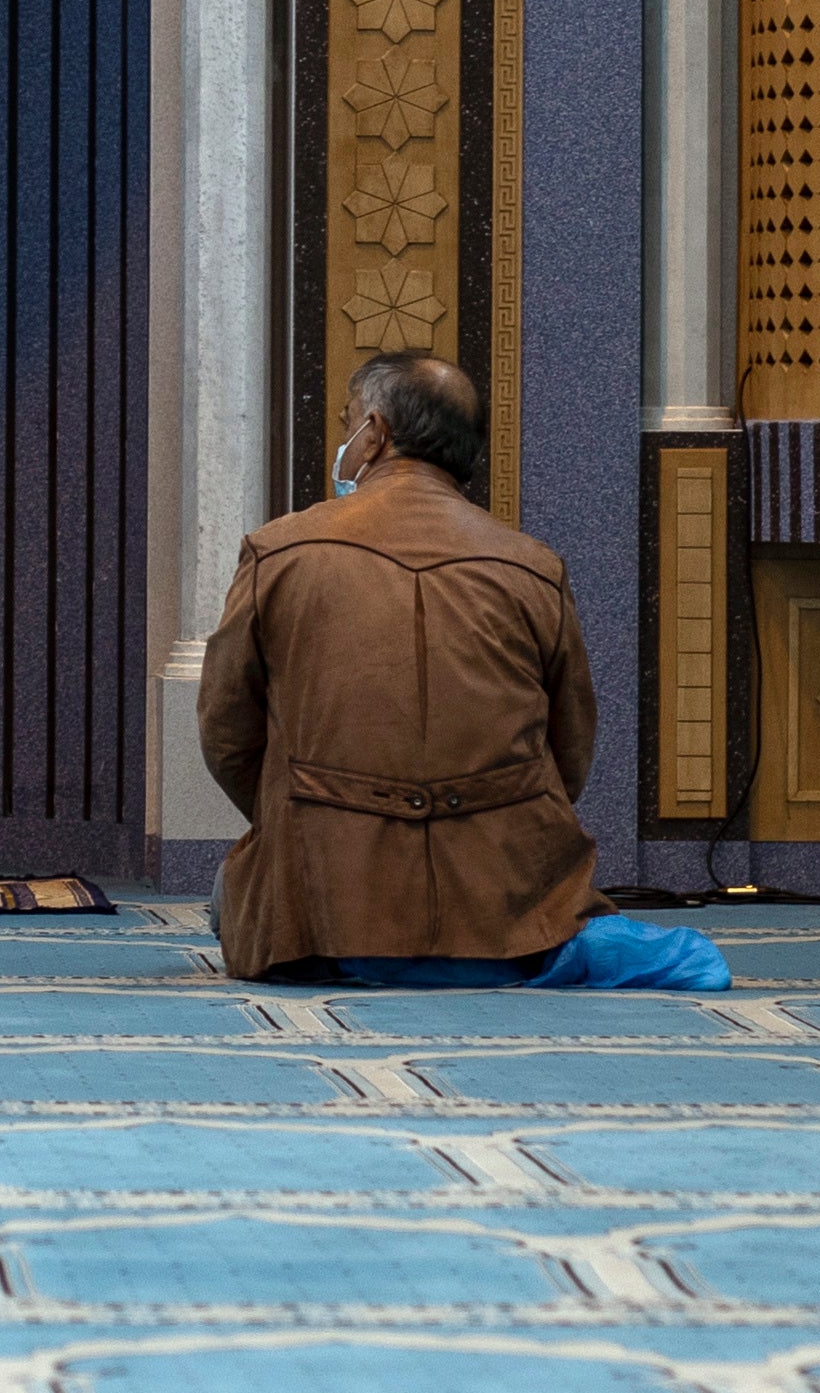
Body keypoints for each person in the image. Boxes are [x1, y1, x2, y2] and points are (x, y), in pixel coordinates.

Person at [198, 352, 729, 991]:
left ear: (374, 433)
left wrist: (303, 817)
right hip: (507, 917)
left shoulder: (277, 552)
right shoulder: (533, 567)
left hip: (322, 916)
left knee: (230, 896)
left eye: (347, 424)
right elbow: (570, 753)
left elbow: (227, 736)